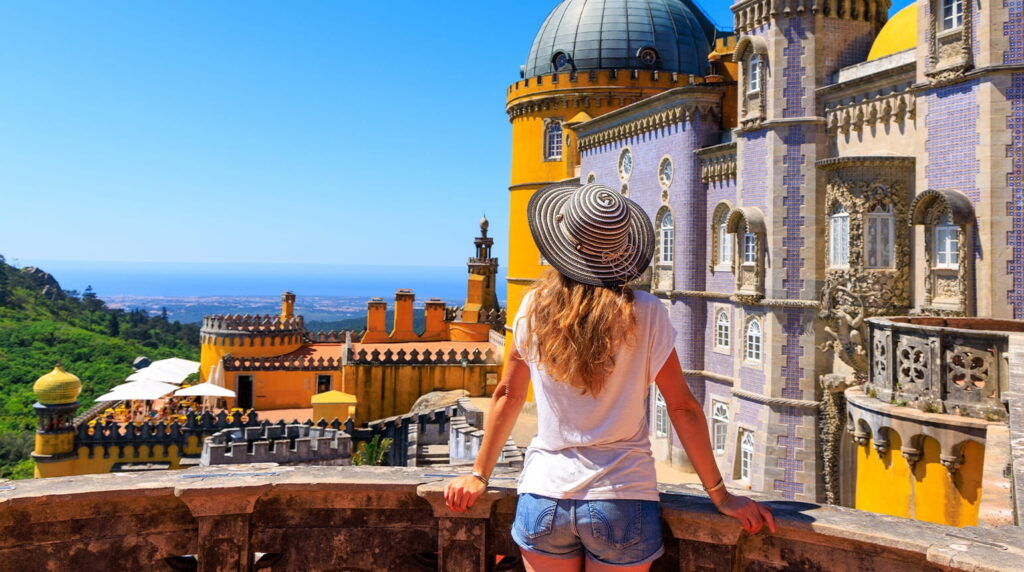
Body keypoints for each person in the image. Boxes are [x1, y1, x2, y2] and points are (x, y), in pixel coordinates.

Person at [444, 184, 775, 571]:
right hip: (622, 495)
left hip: (545, 493)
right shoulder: (647, 312)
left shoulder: (533, 306)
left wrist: (479, 474)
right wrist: (720, 495)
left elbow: (507, 393)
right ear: (621, 250)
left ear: (563, 242)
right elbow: (682, 407)